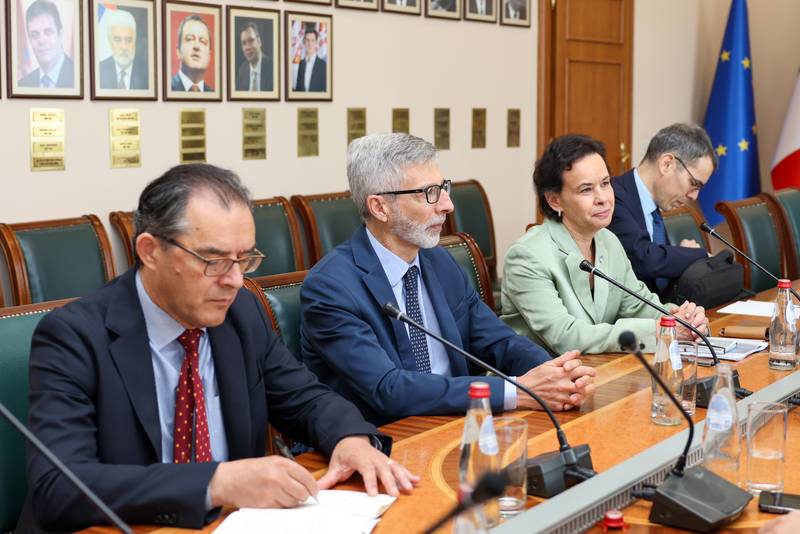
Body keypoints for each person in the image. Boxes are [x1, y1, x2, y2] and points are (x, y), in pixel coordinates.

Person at [18, 164, 418, 532]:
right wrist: (214, 482)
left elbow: (305, 399)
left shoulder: (241, 313)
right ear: (150, 251)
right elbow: (58, 486)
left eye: (244, 259)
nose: (235, 280)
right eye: (213, 261)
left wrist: (349, 438)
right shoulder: (74, 337)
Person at [300, 133, 596, 427]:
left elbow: (499, 341)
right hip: (384, 437)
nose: (447, 205)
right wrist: (517, 391)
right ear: (380, 207)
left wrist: (555, 373)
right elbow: (389, 389)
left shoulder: (440, 262)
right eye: (428, 193)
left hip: (455, 424)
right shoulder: (330, 288)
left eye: (443, 188)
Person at [501, 135, 709, 355]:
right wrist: (659, 331)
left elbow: (638, 306)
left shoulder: (608, 241)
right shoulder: (526, 256)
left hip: (597, 368)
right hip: (542, 373)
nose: (603, 198)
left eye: (605, 183)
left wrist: (682, 319)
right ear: (555, 200)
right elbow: (566, 336)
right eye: (586, 189)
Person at [608, 123, 716, 299]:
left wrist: (682, 254)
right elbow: (643, 259)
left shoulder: (655, 206)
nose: (694, 196)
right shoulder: (614, 196)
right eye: (693, 184)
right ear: (667, 164)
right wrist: (697, 255)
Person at [18, 0, 74, 88]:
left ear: (60, 35)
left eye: (48, 32)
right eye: (35, 34)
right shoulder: (22, 85)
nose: (41, 41)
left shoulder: (80, 78)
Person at [98, 8, 148, 90]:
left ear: (135, 40)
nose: (124, 47)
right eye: (117, 40)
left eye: (128, 40)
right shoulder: (99, 71)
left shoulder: (147, 72)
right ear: (110, 41)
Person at [170, 15, 213, 92]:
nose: (196, 46)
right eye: (190, 39)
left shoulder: (213, 93)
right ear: (178, 51)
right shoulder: (167, 87)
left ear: (209, 55)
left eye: (203, 41)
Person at [235, 22, 273, 92]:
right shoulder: (242, 71)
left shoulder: (273, 68)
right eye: (244, 43)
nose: (247, 47)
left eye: (251, 41)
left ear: (259, 42)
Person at [294, 28, 326, 92]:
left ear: (316, 43)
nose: (310, 44)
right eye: (307, 40)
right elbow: (298, 89)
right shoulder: (301, 64)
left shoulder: (323, 65)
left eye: (312, 40)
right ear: (304, 42)